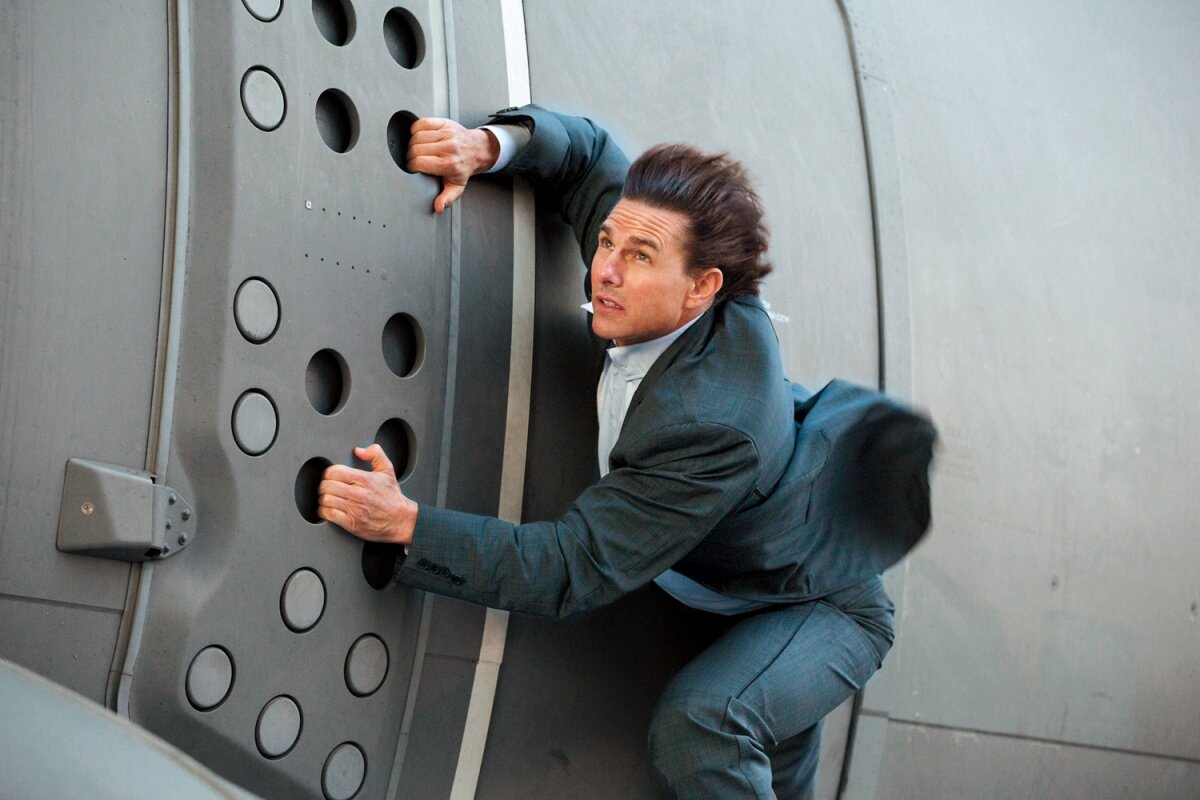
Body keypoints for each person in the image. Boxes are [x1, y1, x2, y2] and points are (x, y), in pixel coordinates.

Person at [317, 105, 935, 798]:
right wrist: (484, 147)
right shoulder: (649, 250)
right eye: (606, 241)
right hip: (764, 553)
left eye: (638, 257)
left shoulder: (712, 424)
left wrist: (406, 525)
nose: (604, 270)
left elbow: (571, 568)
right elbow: (588, 154)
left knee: (704, 728)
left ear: (703, 288)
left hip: (819, 603)